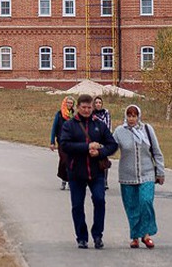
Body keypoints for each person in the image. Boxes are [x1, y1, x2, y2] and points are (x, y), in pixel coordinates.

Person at [59, 93, 118, 249]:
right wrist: (87, 147)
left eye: (89, 107)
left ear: (93, 108)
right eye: (83, 107)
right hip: (76, 172)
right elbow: (65, 144)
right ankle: (81, 237)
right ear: (78, 107)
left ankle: (98, 235)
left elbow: (112, 145)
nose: (86, 110)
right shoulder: (69, 125)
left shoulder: (99, 124)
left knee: (99, 200)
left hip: (96, 172)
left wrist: (100, 152)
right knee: (77, 206)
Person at [112, 103, 165, 249]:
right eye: (129, 115)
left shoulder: (147, 129)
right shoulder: (119, 131)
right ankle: (135, 237)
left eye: (134, 116)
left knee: (146, 201)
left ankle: (146, 235)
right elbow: (111, 149)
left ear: (138, 116)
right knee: (132, 206)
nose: (131, 119)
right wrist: (99, 150)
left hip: (147, 174)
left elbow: (157, 152)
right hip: (127, 175)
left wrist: (160, 172)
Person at [48, 96, 75, 190]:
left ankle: (69, 181)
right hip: (61, 141)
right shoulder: (59, 114)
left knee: (70, 161)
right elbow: (54, 128)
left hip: (71, 142)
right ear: (65, 103)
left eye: (71, 103)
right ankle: (64, 178)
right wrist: (52, 142)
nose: (69, 105)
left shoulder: (74, 115)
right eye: (68, 103)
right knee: (63, 160)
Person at [92, 96, 112, 190]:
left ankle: (104, 181)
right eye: (96, 103)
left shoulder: (106, 113)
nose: (98, 104)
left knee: (104, 160)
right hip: (94, 140)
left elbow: (107, 125)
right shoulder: (91, 114)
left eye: (100, 102)